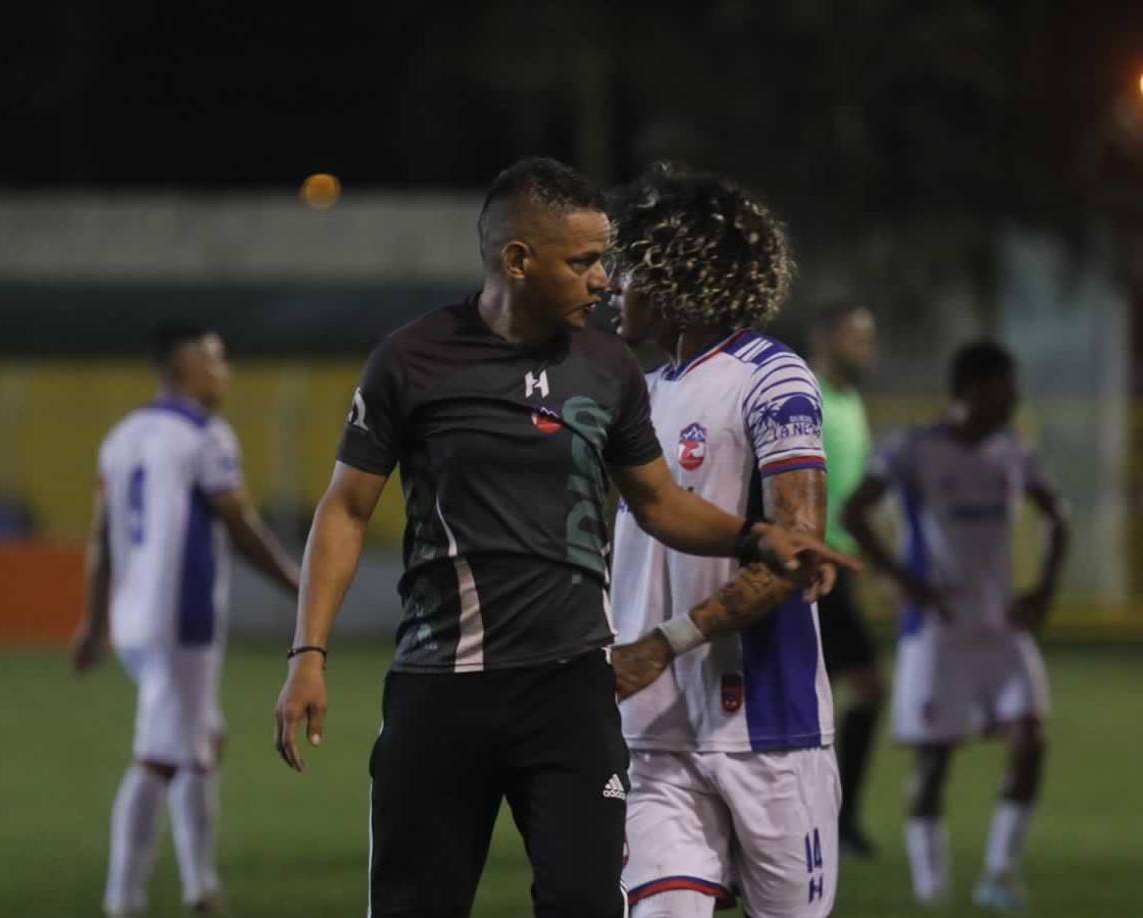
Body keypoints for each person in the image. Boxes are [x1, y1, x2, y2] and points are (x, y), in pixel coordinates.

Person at [272, 157, 854, 918]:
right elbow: (346, 509)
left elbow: (661, 503)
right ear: (518, 260)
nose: (608, 282)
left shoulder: (630, 371)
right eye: (587, 262)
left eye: (614, 264)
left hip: (639, 705)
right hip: (491, 691)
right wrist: (308, 653)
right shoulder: (416, 360)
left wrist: (752, 542)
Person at [606, 165, 840, 918]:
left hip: (767, 727)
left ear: (679, 275)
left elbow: (797, 550)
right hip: (652, 730)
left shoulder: (772, 380)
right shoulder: (635, 394)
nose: (616, 284)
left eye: (633, 266)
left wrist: (663, 642)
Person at [71, 323, 300, 916]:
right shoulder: (205, 435)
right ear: (182, 366)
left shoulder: (120, 437)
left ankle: (201, 885)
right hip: (182, 618)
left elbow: (99, 540)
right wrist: (300, 585)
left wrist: (94, 622)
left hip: (132, 618)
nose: (224, 370)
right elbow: (240, 524)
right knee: (158, 755)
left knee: (200, 738)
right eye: (215, 359)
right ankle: (125, 898)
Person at [842, 341, 1068, 910]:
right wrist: (903, 580)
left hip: (999, 626)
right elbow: (853, 511)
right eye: (1006, 386)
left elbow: (1058, 516)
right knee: (934, 758)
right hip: (936, 627)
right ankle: (932, 891)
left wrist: (1043, 588)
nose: (1015, 398)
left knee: (1031, 738)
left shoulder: (1013, 452)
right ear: (973, 387)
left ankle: (998, 875)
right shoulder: (915, 450)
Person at [809, 301, 884, 856]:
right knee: (863, 689)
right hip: (814, 569)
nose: (865, 348)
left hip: (842, 568)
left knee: (839, 696)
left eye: (868, 339)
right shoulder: (805, 394)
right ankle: (835, 821)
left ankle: (833, 819)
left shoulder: (851, 401)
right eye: (856, 338)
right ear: (826, 337)